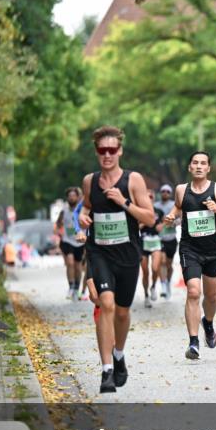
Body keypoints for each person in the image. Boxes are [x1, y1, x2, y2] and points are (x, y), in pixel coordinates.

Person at [77, 125, 156, 393]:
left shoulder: (133, 180)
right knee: (106, 303)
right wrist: (82, 216)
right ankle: (106, 370)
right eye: (102, 150)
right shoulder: (90, 181)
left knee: (122, 312)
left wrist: (123, 202)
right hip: (99, 253)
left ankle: (119, 355)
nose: (107, 155)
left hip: (128, 255)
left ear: (120, 151)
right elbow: (87, 205)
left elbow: (149, 218)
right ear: (97, 152)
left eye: (112, 150)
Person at [161, 150, 216, 361]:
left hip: (213, 251)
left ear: (208, 168)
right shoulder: (181, 190)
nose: (198, 166)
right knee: (194, 292)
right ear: (189, 167)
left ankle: (209, 323)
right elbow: (179, 207)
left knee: (212, 296)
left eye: (203, 163)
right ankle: (193, 342)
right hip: (190, 249)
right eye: (195, 162)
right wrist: (172, 215)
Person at [55, 187, 85, 300]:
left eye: (74, 196)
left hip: (79, 242)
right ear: (67, 198)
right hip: (67, 241)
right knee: (70, 263)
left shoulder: (82, 210)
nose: (71, 197)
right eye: (70, 196)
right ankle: (71, 286)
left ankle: (77, 288)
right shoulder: (64, 211)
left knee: (78, 267)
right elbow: (58, 224)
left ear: (77, 197)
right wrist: (59, 231)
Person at [153, 184, 178, 299]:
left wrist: (172, 222)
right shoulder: (155, 206)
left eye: (168, 191)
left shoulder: (174, 205)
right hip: (159, 239)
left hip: (171, 238)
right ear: (160, 192)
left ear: (170, 193)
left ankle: (168, 282)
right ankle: (162, 286)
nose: (165, 193)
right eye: (163, 191)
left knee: (169, 264)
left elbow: (181, 219)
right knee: (162, 262)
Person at [139, 189, 163, 308]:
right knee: (145, 271)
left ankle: (153, 286)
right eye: (147, 197)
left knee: (155, 268)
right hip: (143, 242)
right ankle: (146, 296)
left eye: (151, 197)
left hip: (155, 242)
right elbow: (134, 227)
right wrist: (143, 223)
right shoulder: (139, 211)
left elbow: (164, 223)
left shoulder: (158, 211)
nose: (149, 198)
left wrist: (162, 226)